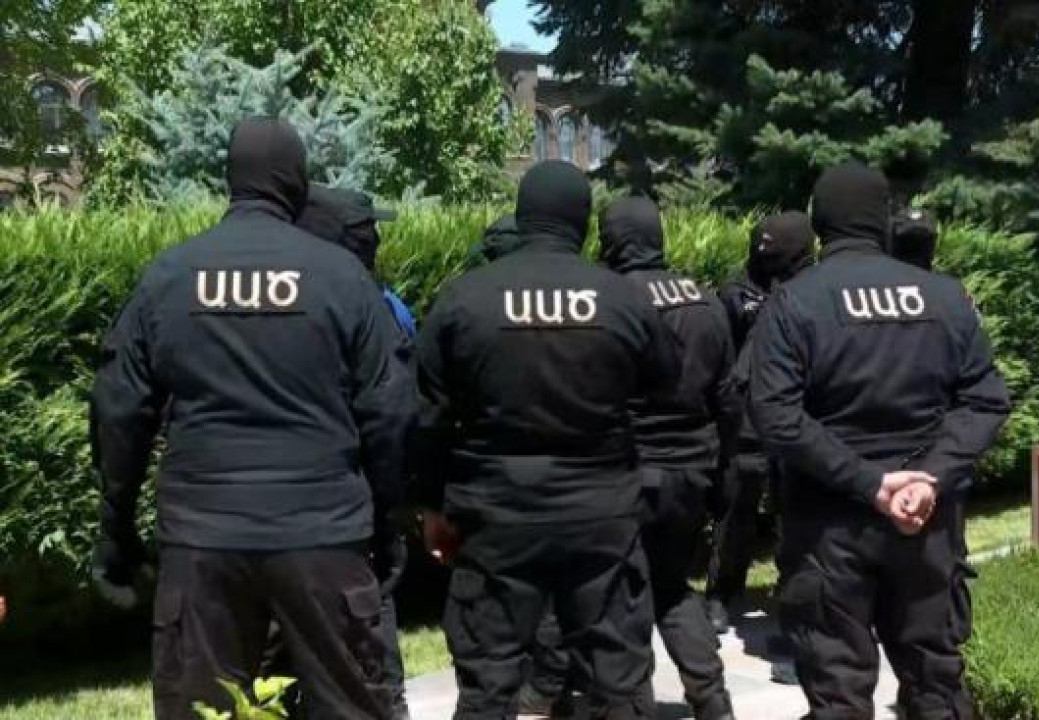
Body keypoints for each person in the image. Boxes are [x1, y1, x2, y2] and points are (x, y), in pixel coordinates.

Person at [89, 118, 415, 720]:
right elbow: (390, 410)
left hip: (203, 540)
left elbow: (119, 406)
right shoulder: (342, 278)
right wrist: (390, 522)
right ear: (298, 183)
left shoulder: (169, 277)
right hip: (322, 533)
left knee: (202, 711)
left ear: (230, 180)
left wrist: (116, 522)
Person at [413, 161, 681, 720]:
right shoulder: (623, 298)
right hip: (602, 519)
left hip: (496, 519)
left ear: (522, 216)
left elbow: (427, 418)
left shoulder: (465, 298)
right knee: (619, 684)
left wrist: (432, 507)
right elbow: (665, 384)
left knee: (487, 690)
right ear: (583, 223)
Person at [750, 161, 1012, 719]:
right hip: (926, 520)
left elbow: (775, 415)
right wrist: (931, 477)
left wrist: (870, 483)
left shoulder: (795, 301)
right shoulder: (945, 297)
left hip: (830, 526)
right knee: (936, 684)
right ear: (882, 220)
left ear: (820, 224)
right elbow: (986, 400)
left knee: (838, 693)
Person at [269, 183, 413, 720]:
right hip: (341, 515)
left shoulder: (280, 301)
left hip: (270, 516)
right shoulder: (369, 306)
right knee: (361, 663)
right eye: (365, 232)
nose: (375, 240)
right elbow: (395, 411)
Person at [598, 195, 739, 719]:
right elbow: (728, 398)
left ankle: (631, 706)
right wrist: (723, 471)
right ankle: (712, 700)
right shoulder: (704, 299)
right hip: (692, 469)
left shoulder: (608, 299)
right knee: (673, 588)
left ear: (612, 239)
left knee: (622, 596)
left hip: (628, 471)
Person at [705, 211, 816, 634]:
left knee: (796, 513)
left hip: (797, 417)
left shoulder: (811, 291)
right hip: (748, 421)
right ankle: (721, 593)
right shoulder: (736, 292)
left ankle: (793, 595)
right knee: (736, 510)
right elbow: (722, 354)